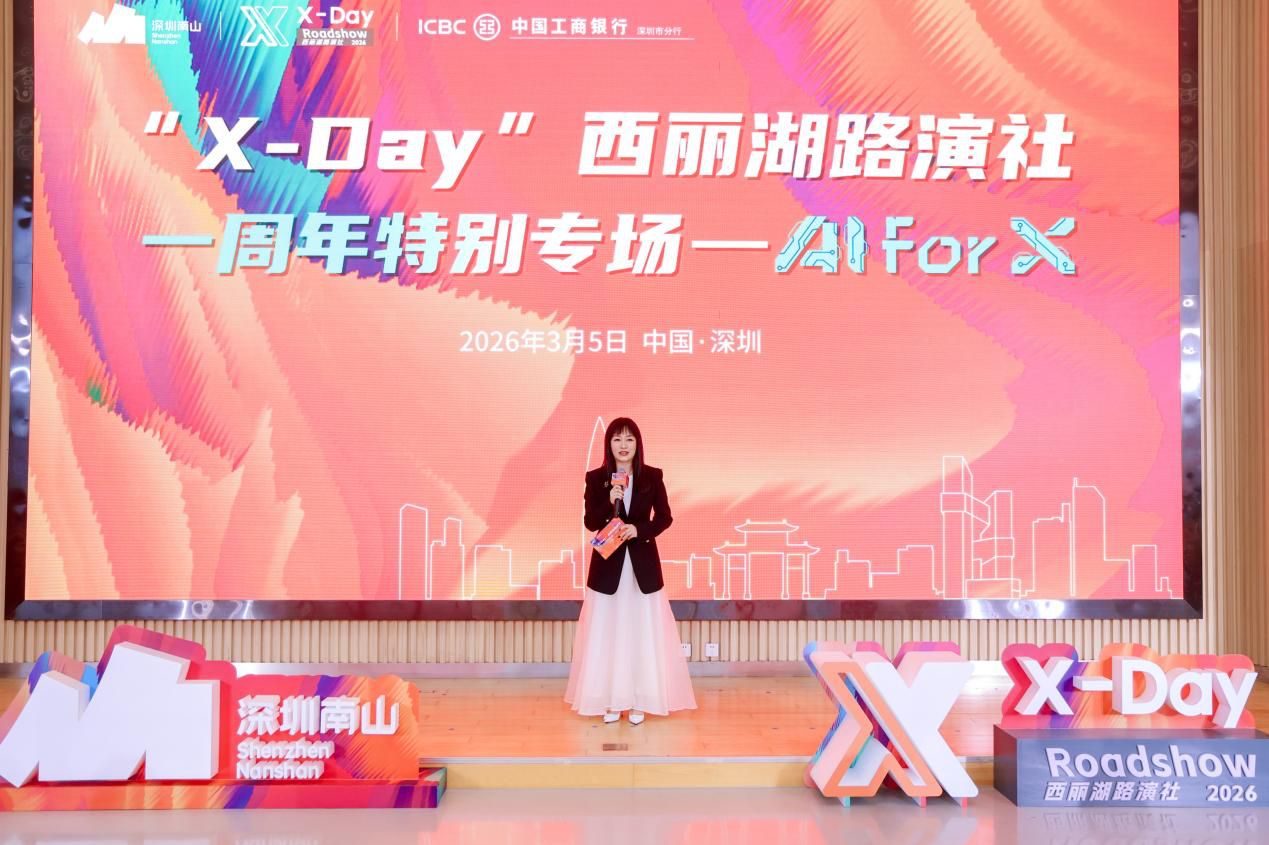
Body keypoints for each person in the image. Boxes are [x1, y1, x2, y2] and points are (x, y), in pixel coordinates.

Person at [564, 418, 697, 724]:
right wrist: (609, 500)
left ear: (638, 444)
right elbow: (590, 521)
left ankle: (639, 699)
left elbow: (664, 517)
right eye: (617, 439)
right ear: (608, 444)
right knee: (607, 633)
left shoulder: (652, 476)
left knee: (641, 633)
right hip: (607, 568)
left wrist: (640, 529)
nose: (623, 446)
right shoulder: (596, 479)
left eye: (629, 439)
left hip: (642, 567)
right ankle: (610, 700)